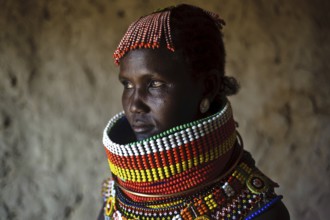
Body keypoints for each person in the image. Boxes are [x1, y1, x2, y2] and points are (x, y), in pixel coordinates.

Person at [99, 4, 290, 220]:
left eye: (154, 84)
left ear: (207, 87)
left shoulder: (256, 212)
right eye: (127, 84)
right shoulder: (117, 195)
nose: (134, 105)